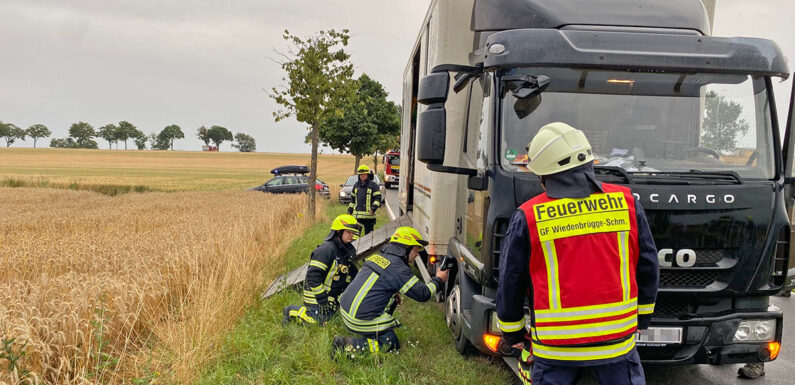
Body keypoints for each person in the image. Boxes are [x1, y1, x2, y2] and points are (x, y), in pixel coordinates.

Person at [495, 122, 659, 385]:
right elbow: (648, 265)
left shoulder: (529, 216)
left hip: (555, 350)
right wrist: (643, 316)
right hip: (617, 345)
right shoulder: (626, 203)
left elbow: (511, 281)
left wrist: (512, 333)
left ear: (544, 173)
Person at [332, 226, 448, 356]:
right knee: (390, 342)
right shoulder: (398, 268)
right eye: (416, 249)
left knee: (392, 301)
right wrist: (438, 279)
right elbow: (423, 294)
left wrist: (393, 293)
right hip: (356, 319)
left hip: (346, 310)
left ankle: (371, 330)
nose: (417, 255)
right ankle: (346, 346)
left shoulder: (378, 257)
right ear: (406, 248)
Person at [283, 214, 362, 326]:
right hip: (316, 298)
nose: (352, 235)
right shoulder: (326, 250)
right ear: (339, 231)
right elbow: (313, 277)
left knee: (335, 319)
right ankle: (291, 311)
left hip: (330, 297)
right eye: (349, 232)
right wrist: (323, 301)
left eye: (353, 232)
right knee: (319, 322)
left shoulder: (345, 250)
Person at [347, 165, 382, 235]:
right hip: (357, 217)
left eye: (364, 174)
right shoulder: (356, 185)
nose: (362, 176)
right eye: (360, 175)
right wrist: (349, 210)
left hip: (369, 217)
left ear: (368, 175)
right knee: (355, 237)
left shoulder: (373, 185)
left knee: (369, 238)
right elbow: (353, 200)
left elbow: (378, 199)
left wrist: (373, 209)